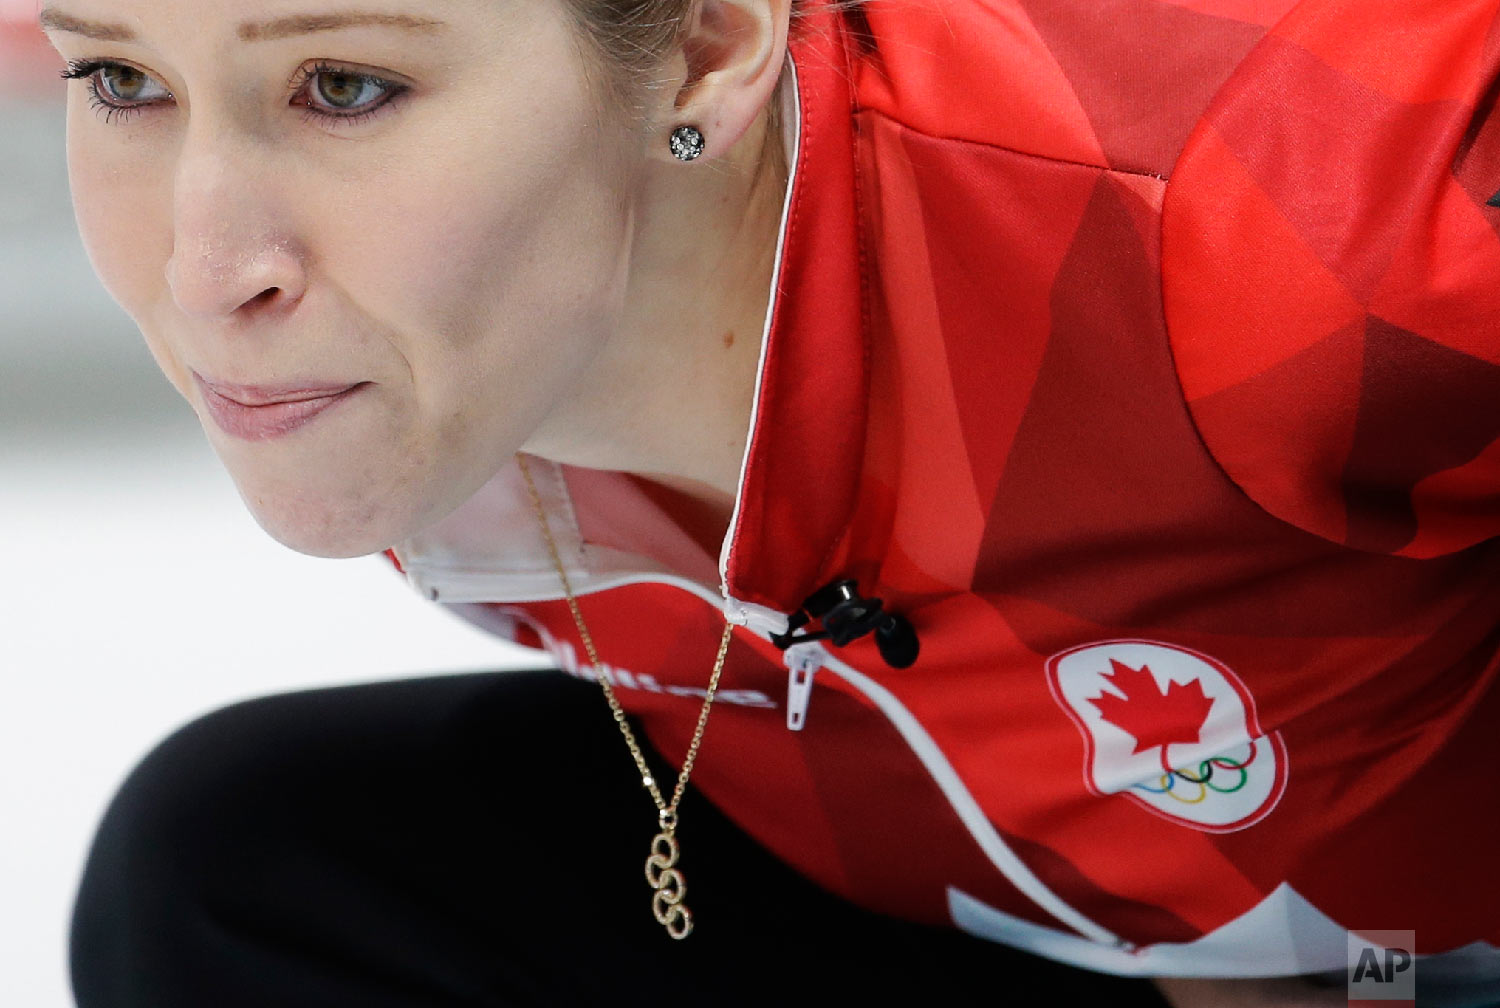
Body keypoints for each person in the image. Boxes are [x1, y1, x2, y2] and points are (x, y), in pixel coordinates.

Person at [41, 0, 1500, 1004]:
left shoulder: (1302, 243)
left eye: (345, 88)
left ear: (705, 45)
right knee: (244, 873)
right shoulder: (417, 356)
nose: (204, 264)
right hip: (1071, 934)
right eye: (120, 81)